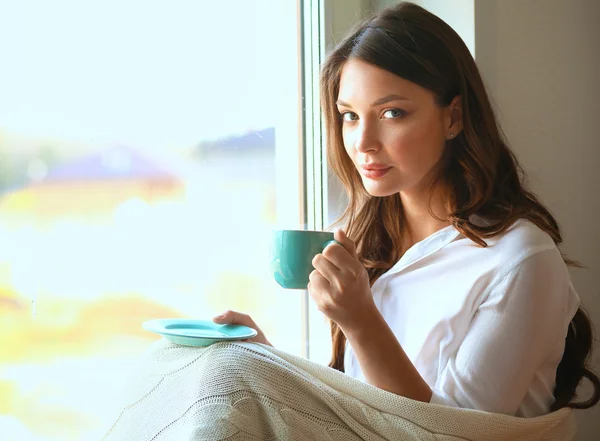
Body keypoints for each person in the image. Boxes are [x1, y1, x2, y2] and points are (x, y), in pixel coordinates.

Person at [212, 1, 599, 418]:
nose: (363, 142)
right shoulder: (370, 242)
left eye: (392, 113)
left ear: (453, 117)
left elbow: (452, 432)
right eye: (350, 116)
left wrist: (361, 321)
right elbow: (357, 406)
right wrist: (268, 360)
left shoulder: (520, 258)